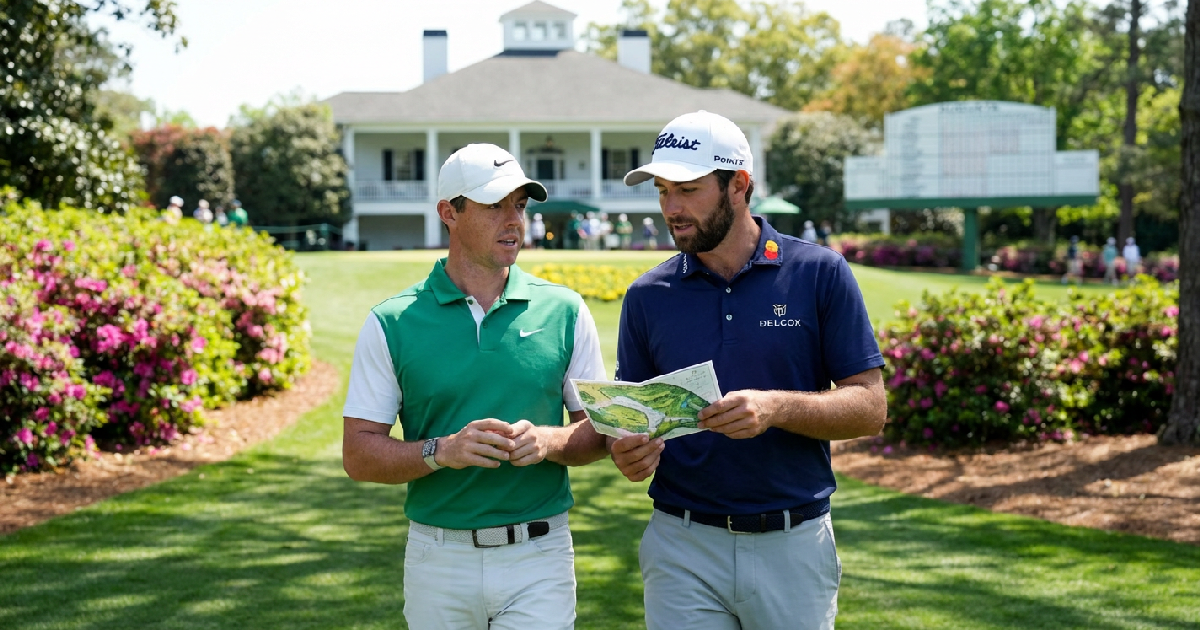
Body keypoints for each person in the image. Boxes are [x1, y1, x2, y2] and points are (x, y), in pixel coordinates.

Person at [612, 110, 887, 630]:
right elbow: (633, 419)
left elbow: (869, 408)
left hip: (794, 545)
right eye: (663, 191)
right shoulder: (647, 296)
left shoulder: (820, 273)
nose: (672, 208)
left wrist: (776, 407)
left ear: (738, 185)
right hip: (680, 544)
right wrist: (627, 450)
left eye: (688, 190)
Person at [341, 144, 609, 630]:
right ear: (450, 213)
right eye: (494, 205)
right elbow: (358, 454)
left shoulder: (566, 311)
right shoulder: (392, 321)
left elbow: (599, 433)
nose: (514, 220)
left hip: (540, 555)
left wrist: (547, 442)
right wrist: (440, 451)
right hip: (437, 558)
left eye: (521, 205)